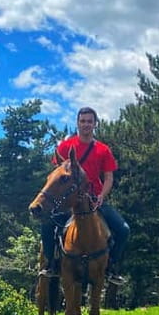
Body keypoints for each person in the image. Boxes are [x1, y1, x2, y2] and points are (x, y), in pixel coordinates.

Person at [39, 106, 130, 286]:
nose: (86, 124)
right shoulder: (65, 147)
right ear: (77, 123)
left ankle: (112, 267)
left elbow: (109, 176)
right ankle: (51, 264)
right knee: (47, 225)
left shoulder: (103, 150)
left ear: (95, 124)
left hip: (94, 200)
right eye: (83, 121)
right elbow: (58, 172)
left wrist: (102, 195)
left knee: (123, 229)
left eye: (90, 121)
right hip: (69, 200)